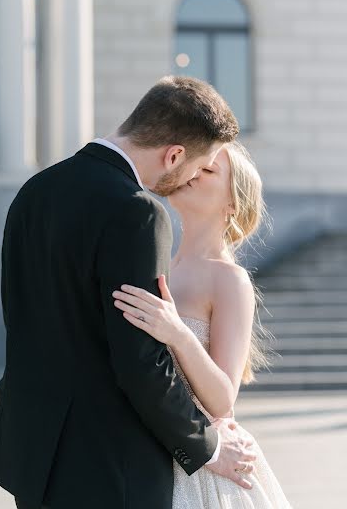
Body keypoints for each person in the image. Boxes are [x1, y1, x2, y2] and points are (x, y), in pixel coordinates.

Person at [0, 75, 257, 509]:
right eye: (196, 165)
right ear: (174, 155)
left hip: (33, 453)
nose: (190, 178)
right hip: (110, 464)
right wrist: (208, 449)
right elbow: (138, 362)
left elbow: (21, 316)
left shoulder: (33, 192)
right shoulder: (138, 212)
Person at [112, 140, 292, 508]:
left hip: (207, 468)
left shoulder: (230, 279)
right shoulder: (158, 264)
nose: (193, 172)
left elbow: (223, 398)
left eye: (208, 170)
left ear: (232, 205)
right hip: (149, 457)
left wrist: (178, 333)